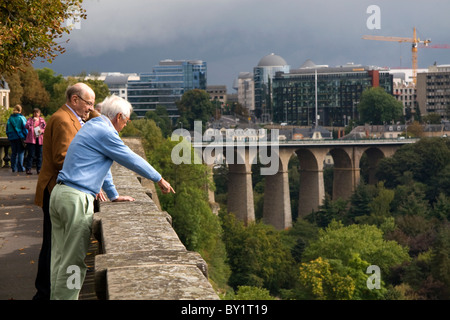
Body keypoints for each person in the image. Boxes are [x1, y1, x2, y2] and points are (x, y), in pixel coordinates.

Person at [49, 95, 174, 300]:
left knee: (59, 258)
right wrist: (159, 178)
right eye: (127, 120)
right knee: (73, 262)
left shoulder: (92, 126)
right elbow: (129, 157)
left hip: (61, 194)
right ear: (119, 117)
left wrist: (113, 194)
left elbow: (104, 164)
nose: (126, 124)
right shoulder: (106, 132)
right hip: (76, 199)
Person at [32, 83, 98, 300]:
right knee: (54, 245)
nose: (90, 108)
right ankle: (44, 292)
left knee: (55, 244)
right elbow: (63, 158)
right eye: (88, 103)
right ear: (74, 100)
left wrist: (93, 110)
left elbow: (93, 120)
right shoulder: (63, 120)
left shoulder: (73, 117)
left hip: (58, 189)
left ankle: (46, 291)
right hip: (56, 189)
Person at [6, 104, 27, 173]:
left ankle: (13, 167)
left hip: (12, 137)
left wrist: (9, 136)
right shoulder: (21, 118)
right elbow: (25, 128)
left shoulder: (10, 118)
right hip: (20, 137)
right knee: (20, 152)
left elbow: (7, 128)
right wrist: (26, 137)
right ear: (20, 110)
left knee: (14, 153)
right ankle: (20, 167)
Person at [24, 108, 46, 175]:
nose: (36, 114)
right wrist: (33, 123)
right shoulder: (30, 120)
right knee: (31, 155)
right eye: (35, 112)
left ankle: (39, 169)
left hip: (39, 139)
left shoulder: (42, 120)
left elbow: (45, 128)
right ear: (33, 113)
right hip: (31, 140)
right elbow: (26, 126)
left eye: (38, 113)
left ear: (39, 113)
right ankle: (28, 169)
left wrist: (41, 131)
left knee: (39, 155)